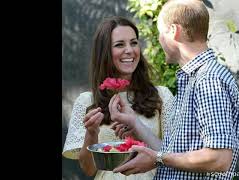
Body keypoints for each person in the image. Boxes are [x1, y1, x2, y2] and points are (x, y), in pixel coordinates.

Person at [110, 0, 239, 180]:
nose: (158, 39)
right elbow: (173, 154)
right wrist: (134, 122)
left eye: (160, 33)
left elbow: (219, 159)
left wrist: (157, 158)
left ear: (174, 31)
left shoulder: (208, 80)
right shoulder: (193, 78)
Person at [62, 16, 174, 180]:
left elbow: (177, 154)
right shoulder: (87, 102)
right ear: (105, 52)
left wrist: (137, 131)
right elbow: (88, 170)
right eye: (119, 44)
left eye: (134, 43)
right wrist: (91, 133)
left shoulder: (162, 96)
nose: (129, 50)